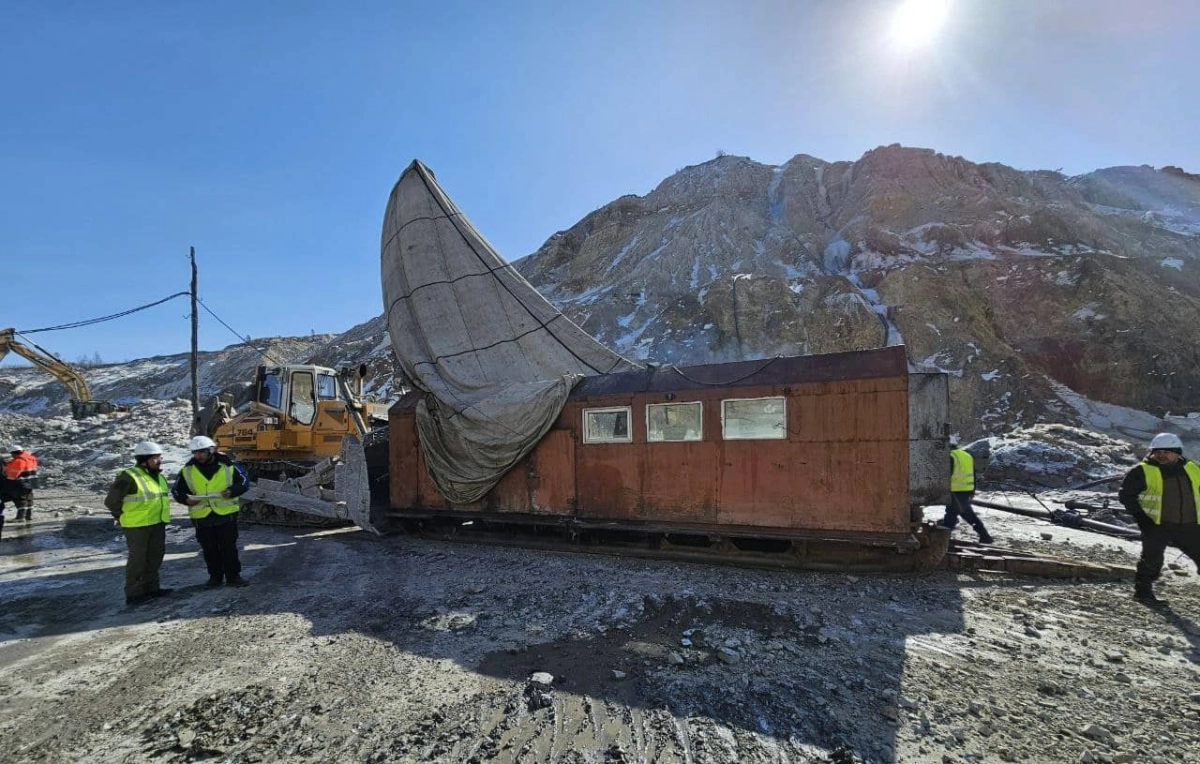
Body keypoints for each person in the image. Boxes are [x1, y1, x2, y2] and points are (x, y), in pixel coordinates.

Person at [1118, 432, 1200, 607]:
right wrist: (1143, 519)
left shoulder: (1193, 468)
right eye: (1158, 451)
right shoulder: (1142, 470)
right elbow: (1126, 496)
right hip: (1156, 525)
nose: (1161, 455)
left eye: (1166, 452)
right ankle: (1143, 593)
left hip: (1190, 525)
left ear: (1177, 452)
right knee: (1151, 559)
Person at [171, 435, 250, 587]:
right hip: (202, 517)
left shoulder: (229, 466)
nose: (198, 456)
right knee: (209, 549)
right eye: (195, 453)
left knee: (229, 548)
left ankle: (233, 577)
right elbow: (176, 491)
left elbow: (244, 482)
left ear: (210, 451)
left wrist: (232, 491)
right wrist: (186, 500)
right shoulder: (187, 470)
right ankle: (215, 577)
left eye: (201, 452)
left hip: (226, 514)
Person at [104, 441, 174, 607]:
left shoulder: (158, 476)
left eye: (159, 457)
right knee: (138, 560)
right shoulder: (128, 476)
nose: (159, 460)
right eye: (156, 458)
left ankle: (152, 588)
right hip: (137, 526)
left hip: (157, 524)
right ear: (145, 459)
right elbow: (111, 501)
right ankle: (134, 594)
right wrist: (122, 516)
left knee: (155, 557)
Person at [941, 439, 994, 544]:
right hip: (965, 491)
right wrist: (972, 490)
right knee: (967, 514)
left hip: (955, 491)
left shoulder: (951, 456)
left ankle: (942, 539)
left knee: (951, 515)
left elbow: (946, 476)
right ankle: (985, 537)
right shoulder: (966, 455)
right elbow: (973, 474)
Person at [3, 445, 39, 522]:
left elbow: (13, 475)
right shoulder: (31, 458)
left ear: (15, 453)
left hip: (22, 483)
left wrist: (7, 479)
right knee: (29, 498)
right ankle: (28, 516)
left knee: (20, 499)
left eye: (12, 454)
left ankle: (20, 518)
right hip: (31, 481)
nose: (12, 456)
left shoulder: (19, 461)